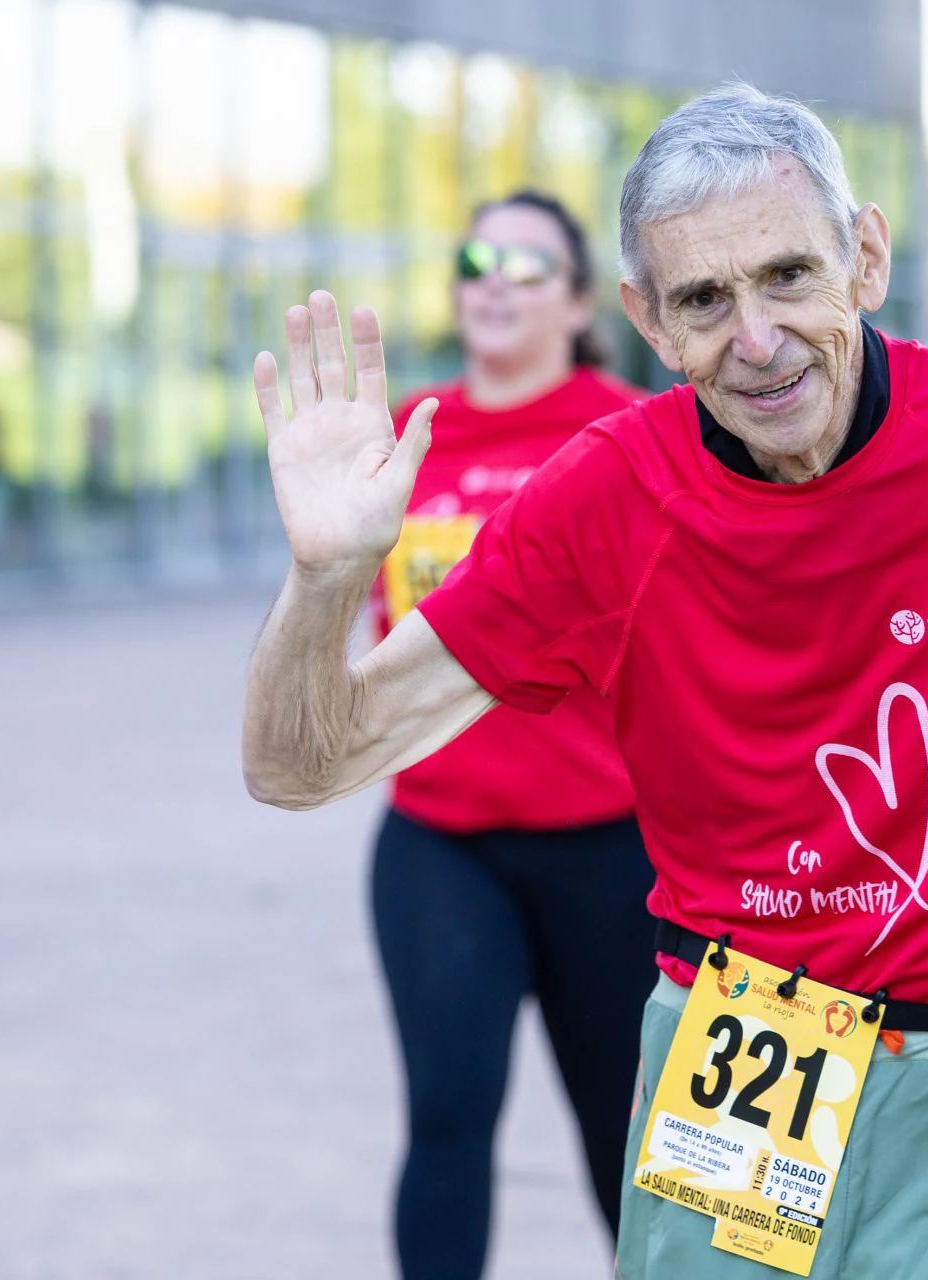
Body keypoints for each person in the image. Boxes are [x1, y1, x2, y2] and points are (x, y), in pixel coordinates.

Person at [242, 81, 928, 1279]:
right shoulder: (603, 496)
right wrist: (324, 578)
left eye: (789, 275)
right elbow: (300, 764)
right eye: (703, 299)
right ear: (647, 318)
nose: (755, 339)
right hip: (742, 1051)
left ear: (866, 256)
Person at [365, 191, 654, 1279]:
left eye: (529, 266)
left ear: (582, 303)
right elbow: (368, 633)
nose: (495, 279)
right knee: (446, 1118)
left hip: (610, 849)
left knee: (635, 1147)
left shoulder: (633, 433)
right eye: (479, 257)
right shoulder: (405, 433)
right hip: (443, 842)